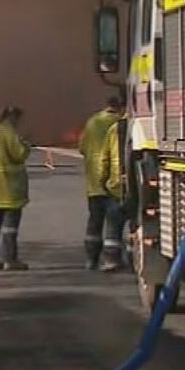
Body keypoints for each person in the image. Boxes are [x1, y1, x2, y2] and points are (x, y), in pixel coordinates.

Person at [78, 94, 125, 272]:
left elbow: (82, 147)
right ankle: (112, 259)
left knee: (94, 222)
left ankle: (91, 259)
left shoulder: (92, 122)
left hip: (94, 182)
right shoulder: (119, 124)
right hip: (113, 181)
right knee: (114, 222)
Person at [0, 105, 31, 271]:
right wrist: (26, 145)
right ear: (13, 117)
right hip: (9, 185)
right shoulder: (9, 132)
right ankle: (10, 259)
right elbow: (18, 154)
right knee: (10, 226)